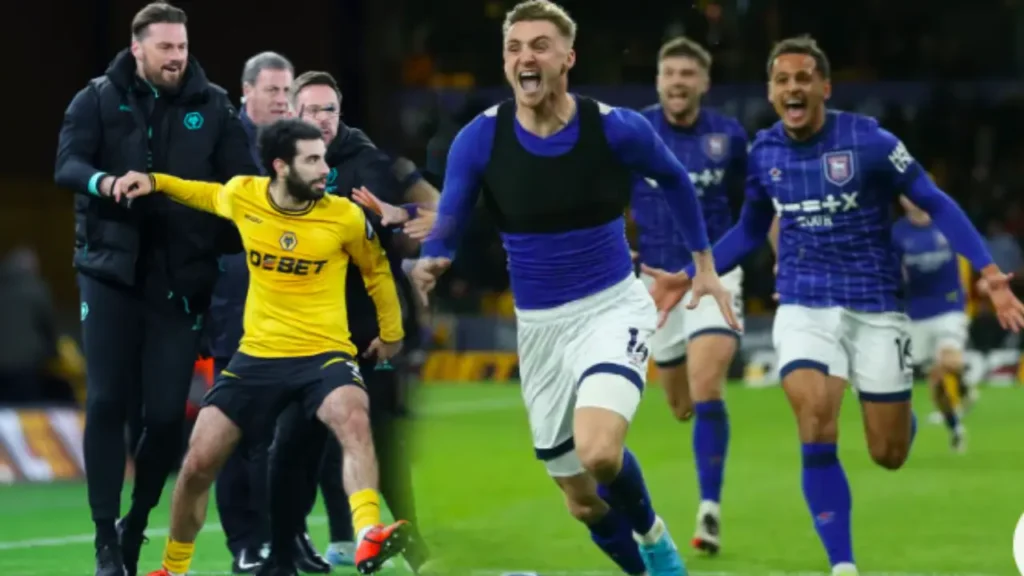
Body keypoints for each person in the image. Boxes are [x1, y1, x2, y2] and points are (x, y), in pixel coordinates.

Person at [643, 36, 1024, 576]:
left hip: (874, 304)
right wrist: (688, 276)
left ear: (824, 87)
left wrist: (990, 275)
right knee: (816, 421)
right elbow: (750, 227)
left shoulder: (868, 141)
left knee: (887, 453)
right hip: (803, 302)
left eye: (803, 78)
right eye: (782, 80)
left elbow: (935, 201)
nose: (793, 88)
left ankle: (901, 416)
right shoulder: (764, 152)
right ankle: (842, 564)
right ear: (772, 92)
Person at [411, 2, 737, 574]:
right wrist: (431, 262)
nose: (525, 57)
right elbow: (452, 221)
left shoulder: (615, 127)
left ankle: (655, 537)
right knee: (581, 499)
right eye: (514, 47)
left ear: (568, 57)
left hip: (612, 308)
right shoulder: (479, 139)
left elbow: (675, 179)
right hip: (539, 328)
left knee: (599, 451)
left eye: (539, 45)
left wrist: (704, 263)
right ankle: (646, 570)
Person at [113, 119, 410, 576]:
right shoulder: (244, 195)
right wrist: (153, 181)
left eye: (324, 158)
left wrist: (391, 334)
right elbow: (200, 193)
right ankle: (173, 569)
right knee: (197, 463)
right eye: (312, 160)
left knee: (353, 417)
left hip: (324, 354)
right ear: (279, 166)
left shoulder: (345, 216)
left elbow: (377, 272)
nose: (324, 170)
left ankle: (367, 532)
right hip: (258, 357)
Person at [52, 4, 258, 575]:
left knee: (167, 417)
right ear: (137, 48)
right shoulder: (96, 98)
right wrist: (106, 182)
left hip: (180, 280)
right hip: (110, 273)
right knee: (108, 401)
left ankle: (136, 523)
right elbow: (67, 164)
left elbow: (241, 186)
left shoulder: (213, 106)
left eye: (182, 47)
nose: (176, 58)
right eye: (166, 48)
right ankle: (103, 541)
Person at [267, 70, 436, 572]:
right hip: (303, 325)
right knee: (295, 440)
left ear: (340, 114)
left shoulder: (375, 162)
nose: (319, 119)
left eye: (328, 110)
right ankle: (302, 542)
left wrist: (399, 213)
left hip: (367, 326)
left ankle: (414, 543)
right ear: (292, 112)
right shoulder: (276, 165)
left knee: (379, 435)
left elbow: (439, 212)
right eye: (309, 110)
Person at [630, 36, 747, 555]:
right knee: (680, 405)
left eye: (687, 73)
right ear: (658, 80)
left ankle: (710, 511)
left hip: (714, 275)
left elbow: (751, 208)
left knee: (706, 387)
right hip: (655, 284)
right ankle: (705, 449)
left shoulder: (729, 136)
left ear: (703, 82)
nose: (678, 81)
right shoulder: (634, 132)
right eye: (669, 72)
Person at [209, 51, 295, 575]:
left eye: (286, 93)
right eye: (272, 92)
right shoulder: (223, 143)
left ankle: (280, 536)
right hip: (235, 309)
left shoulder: (298, 147)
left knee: (286, 431)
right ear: (246, 91)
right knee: (236, 431)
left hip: (292, 311)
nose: (281, 102)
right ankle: (246, 541)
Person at [891, 195, 968, 452]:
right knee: (935, 382)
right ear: (903, 202)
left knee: (949, 361)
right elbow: (892, 270)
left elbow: (971, 247)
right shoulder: (898, 233)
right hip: (915, 313)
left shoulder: (946, 221)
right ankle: (954, 426)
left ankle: (965, 390)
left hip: (948, 305)